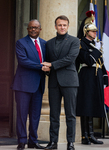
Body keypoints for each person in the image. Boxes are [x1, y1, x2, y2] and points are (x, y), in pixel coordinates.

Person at [42, 15, 80, 150]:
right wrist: (46, 68)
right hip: (53, 82)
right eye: (59, 25)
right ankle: (53, 142)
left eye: (64, 25)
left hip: (69, 81)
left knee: (70, 114)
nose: (62, 27)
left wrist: (51, 65)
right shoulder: (49, 43)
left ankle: (70, 143)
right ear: (55, 26)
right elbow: (46, 61)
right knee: (54, 114)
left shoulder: (75, 41)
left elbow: (70, 59)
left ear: (68, 26)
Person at [11, 19, 50, 150]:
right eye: (31, 27)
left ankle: (33, 141)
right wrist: (42, 67)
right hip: (23, 84)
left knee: (35, 115)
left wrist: (49, 68)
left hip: (38, 85)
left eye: (36, 27)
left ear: (40, 29)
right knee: (22, 114)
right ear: (27, 29)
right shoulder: (21, 43)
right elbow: (23, 61)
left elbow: (48, 61)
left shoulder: (45, 44)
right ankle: (22, 141)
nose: (33, 30)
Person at [76, 11, 109, 145]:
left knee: (92, 105)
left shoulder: (95, 45)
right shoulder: (81, 44)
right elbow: (89, 60)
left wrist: (105, 77)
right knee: (86, 106)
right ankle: (85, 136)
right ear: (86, 32)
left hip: (96, 77)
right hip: (86, 77)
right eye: (92, 31)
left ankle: (91, 134)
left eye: (95, 31)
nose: (95, 33)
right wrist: (95, 50)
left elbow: (101, 62)